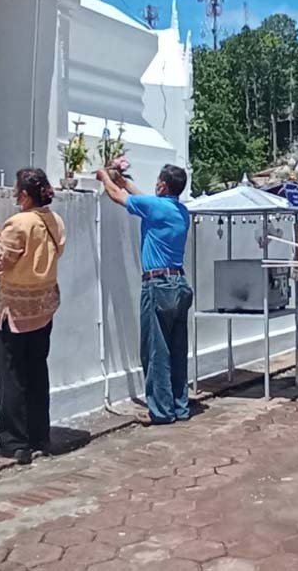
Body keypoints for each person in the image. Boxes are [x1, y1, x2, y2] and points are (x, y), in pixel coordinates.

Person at [0, 168, 66, 465]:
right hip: (43, 305)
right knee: (37, 372)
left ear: (24, 195)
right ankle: (39, 436)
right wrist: (2, 240)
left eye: (16, 191)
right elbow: (36, 250)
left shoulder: (19, 222)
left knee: (12, 375)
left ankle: (14, 441)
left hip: (15, 310)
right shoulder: (54, 220)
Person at [97, 163, 193, 426]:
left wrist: (104, 176)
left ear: (162, 185)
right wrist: (125, 181)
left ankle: (161, 411)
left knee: (156, 350)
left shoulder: (155, 206)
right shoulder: (180, 211)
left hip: (158, 285)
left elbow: (117, 196)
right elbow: (143, 199)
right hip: (179, 284)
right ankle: (179, 406)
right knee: (177, 349)